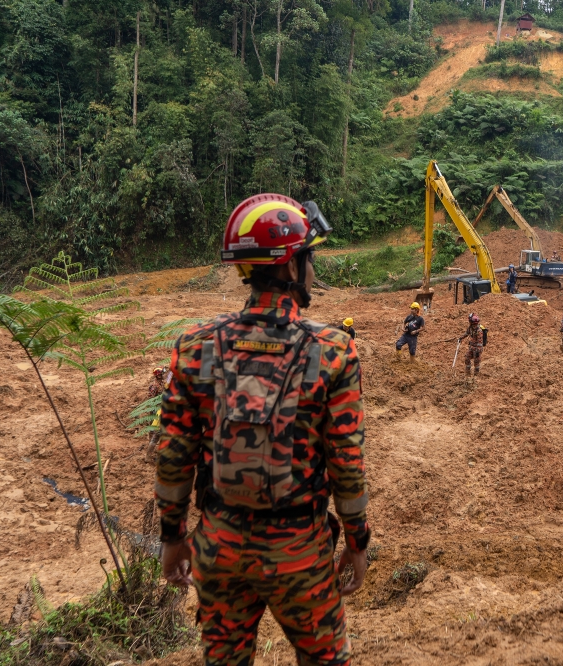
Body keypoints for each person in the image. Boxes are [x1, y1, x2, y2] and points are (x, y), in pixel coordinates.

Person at [155, 194, 371, 666]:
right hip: (301, 557)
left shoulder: (195, 347)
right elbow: (347, 463)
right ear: (292, 269)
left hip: (219, 549)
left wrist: (172, 538)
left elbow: (173, 453)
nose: (312, 270)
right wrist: (357, 543)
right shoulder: (333, 351)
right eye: (309, 258)